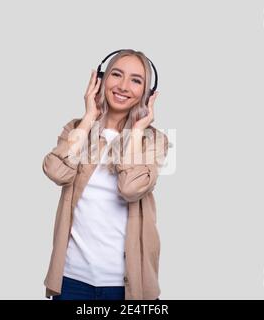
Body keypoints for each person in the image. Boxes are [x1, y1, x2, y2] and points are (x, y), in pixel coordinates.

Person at [42, 49, 169, 300]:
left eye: (136, 80)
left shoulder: (153, 140)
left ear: (147, 93)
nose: (123, 86)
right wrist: (89, 117)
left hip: (127, 285)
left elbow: (130, 188)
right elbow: (56, 171)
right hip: (71, 279)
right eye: (116, 74)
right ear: (101, 80)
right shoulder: (76, 128)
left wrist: (135, 131)